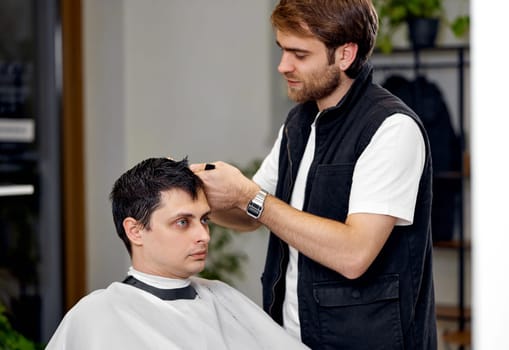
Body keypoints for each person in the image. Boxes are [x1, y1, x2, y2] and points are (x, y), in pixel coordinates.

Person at [190, 0, 437, 349]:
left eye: (299, 54)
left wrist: (249, 196)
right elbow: (250, 216)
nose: (282, 66)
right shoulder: (299, 122)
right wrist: (191, 193)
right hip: (290, 337)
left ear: (345, 55)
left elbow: (354, 255)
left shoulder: (392, 129)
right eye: (281, 50)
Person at [45, 157, 308, 350]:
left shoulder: (224, 299)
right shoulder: (95, 317)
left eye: (204, 220)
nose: (204, 236)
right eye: (183, 222)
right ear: (135, 231)